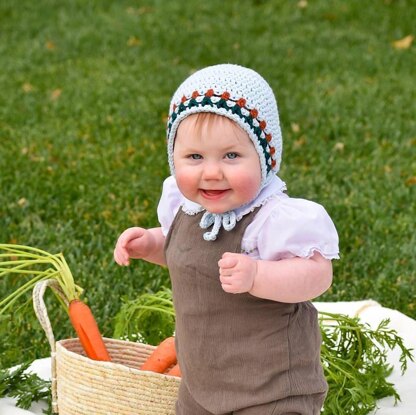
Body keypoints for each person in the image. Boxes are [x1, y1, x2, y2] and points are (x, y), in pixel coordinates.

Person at [114, 64, 339, 415]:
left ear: (267, 158)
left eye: (231, 156)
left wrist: (258, 276)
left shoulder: (271, 219)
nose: (212, 172)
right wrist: (152, 244)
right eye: (194, 157)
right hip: (201, 387)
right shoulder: (185, 210)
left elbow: (317, 274)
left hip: (271, 390)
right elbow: (187, 253)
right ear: (174, 159)